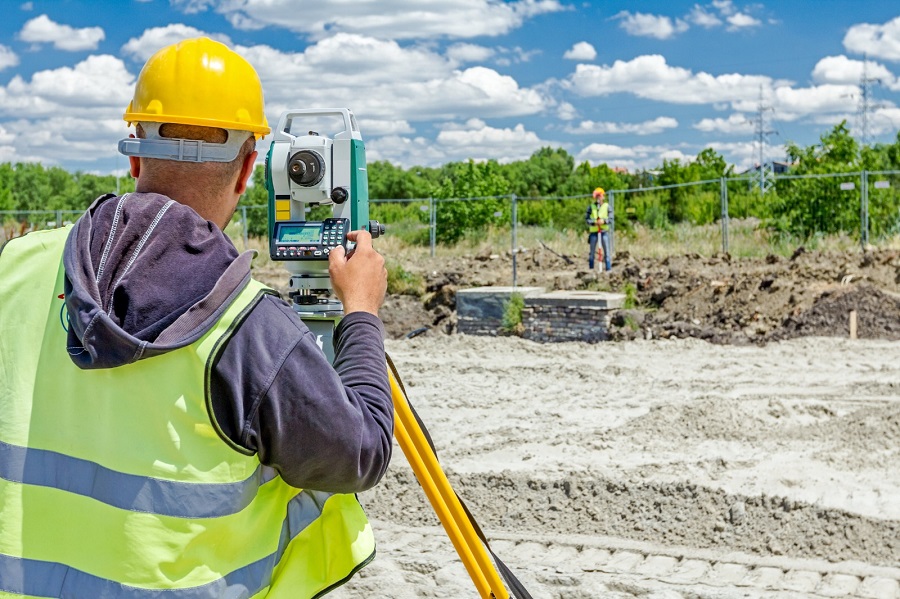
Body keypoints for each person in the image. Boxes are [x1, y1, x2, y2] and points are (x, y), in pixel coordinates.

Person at [0, 37, 393, 598]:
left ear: (134, 156)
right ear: (248, 168)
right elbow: (360, 452)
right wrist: (361, 312)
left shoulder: (16, 266)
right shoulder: (249, 328)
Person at [585, 187, 611, 271]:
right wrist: (594, 223)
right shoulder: (591, 207)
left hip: (604, 232)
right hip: (594, 232)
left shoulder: (607, 206)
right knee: (592, 252)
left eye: (600, 196)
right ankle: (591, 269)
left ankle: (608, 269)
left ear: (603, 196)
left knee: (607, 252)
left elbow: (611, 219)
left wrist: (604, 221)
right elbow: (587, 219)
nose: (598, 198)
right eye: (597, 196)